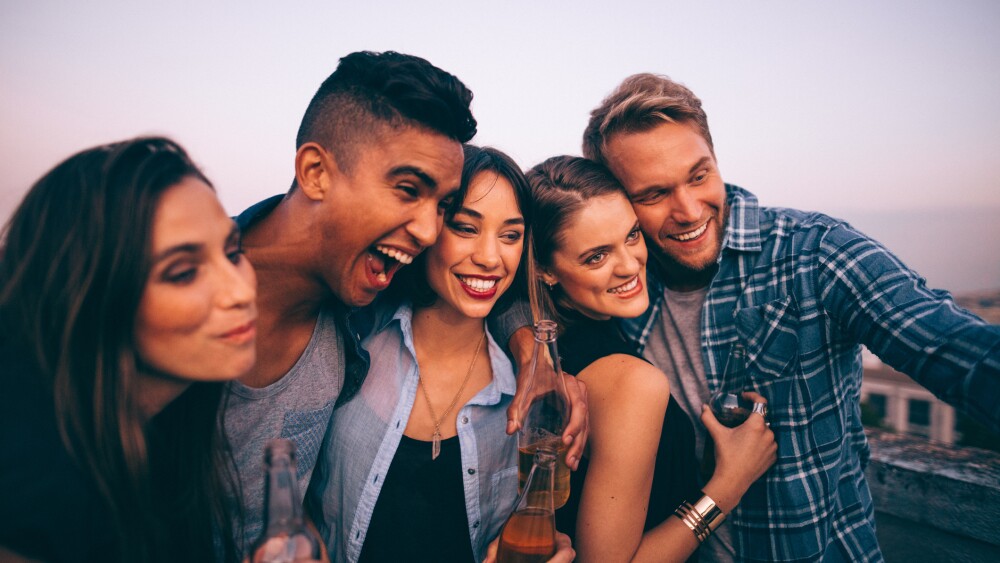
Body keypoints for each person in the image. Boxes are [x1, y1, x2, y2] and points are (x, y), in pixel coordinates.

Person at [581, 73, 1000, 562]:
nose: (690, 209)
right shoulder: (620, 286)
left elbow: (954, 351)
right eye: (654, 194)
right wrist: (534, 347)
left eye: (699, 176)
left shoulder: (814, 252)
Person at [224, 51, 586, 557]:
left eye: (440, 207)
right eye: (408, 191)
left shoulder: (347, 314)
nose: (425, 229)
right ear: (314, 170)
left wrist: (534, 349)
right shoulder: (163, 309)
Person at [0, 137, 257, 563]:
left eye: (233, 253)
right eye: (183, 273)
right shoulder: (32, 481)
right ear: (88, 295)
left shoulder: (159, 428)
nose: (239, 290)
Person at [311, 145, 573, 562]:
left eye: (510, 235)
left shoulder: (527, 397)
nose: (490, 258)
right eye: (466, 228)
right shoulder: (351, 344)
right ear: (428, 229)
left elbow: (541, 522)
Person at [525, 155, 775, 562]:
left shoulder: (544, 347)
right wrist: (729, 484)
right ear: (544, 270)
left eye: (632, 235)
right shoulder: (632, 383)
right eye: (596, 257)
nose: (630, 265)